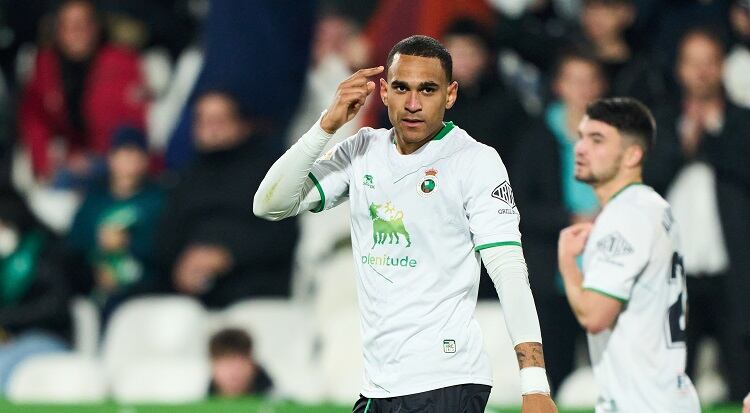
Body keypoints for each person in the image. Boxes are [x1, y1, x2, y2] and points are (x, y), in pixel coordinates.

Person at [254, 35, 556, 413]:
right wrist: (326, 126)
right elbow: (269, 204)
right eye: (402, 88)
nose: (413, 104)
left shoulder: (475, 162)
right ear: (383, 92)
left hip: (446, 381)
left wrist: (535, 385)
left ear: (450, 95)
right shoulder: (361, 150)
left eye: (428, 90)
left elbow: (509, 272)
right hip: (379, 385)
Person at [557, 97, 700, 412]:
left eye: (597, 140)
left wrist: (568, 263)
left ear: (633, 154)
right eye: (581, 137)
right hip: (668, 395)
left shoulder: (624, 216)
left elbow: (595, 316)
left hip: (640, 403)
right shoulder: (654, 207)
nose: (580, 149)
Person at [643, 28, 750, 402]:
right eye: (693, 63)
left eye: (710, 63)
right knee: (674, 378)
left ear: (722, 67)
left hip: (734, 273)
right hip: (676, 273)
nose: (702, 72)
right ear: (679, 68)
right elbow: (644, 182)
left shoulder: (742, 122)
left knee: (743, 377)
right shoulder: (660, 123)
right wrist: (683, 146)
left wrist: (711, 137)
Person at [512, 49, 606, 393]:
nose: (583, 89)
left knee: (610, 368)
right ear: (560, 85)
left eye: (590, 80)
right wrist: (570, 219)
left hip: (607, 268)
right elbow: (519, 203)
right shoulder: (537, 135)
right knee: (557, 372)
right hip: (553, 271)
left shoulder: (615, 136)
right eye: (575, 80)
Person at [158, 90, 298, 308]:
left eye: (219, 119)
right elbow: (168, 236)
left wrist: (226, 256)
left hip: (253, 287)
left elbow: (282, 235)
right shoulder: (186, 176)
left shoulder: (269, 170)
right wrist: (180, 265)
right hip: (190, 293)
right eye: (203, 120)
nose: (210, 127)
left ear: (241, 124)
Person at [18, 0, 148, 187]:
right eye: (67, 25)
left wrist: (96, 158)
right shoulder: (45, 65)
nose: (75, 31)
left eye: (82, 24)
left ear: (96, 27)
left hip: (115, 162)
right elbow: (34, 120)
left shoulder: (122, 62)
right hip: (68, 162)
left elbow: (133, 123)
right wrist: (44, 163)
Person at [66, 127, 163, 325]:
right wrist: (97, 252)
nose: (130, 160)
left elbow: (166, 247)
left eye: (137, 154)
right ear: (111, 157)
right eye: (124, 153)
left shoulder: (159, 200)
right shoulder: (93, 201)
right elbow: (72, 245)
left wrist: (128, 243)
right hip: (93, 288)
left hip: (143, 292)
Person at [0, 189, 72, 394]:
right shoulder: (4, 257)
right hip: (8, 340)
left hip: (47, 336)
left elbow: (55, 305)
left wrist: (7, 318)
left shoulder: (45, 251)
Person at [208, 328, 273, 397]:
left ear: (253, 364)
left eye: (241, 364)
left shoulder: (278, 403)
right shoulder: (201, 404)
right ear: (213, 365)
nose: (234, 373)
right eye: (227, 364)